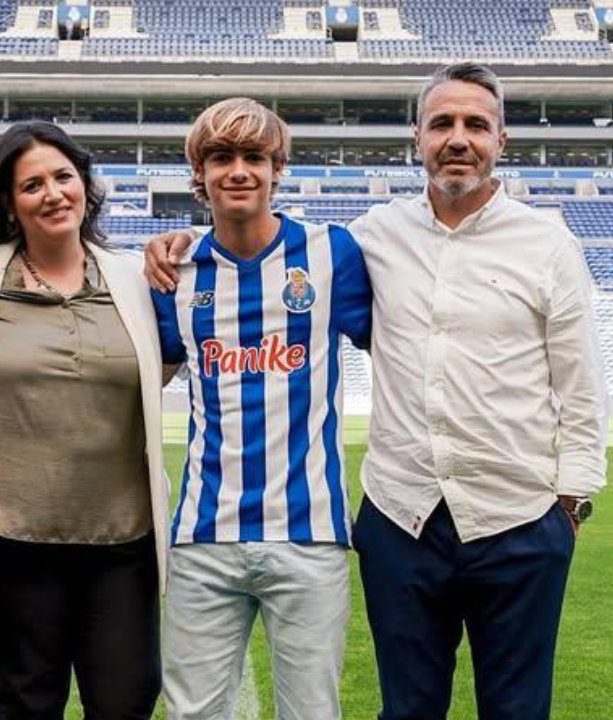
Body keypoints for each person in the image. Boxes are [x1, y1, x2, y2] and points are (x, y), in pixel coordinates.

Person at [144, 63, 608, 720]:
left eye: (476, 124)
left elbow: (581, 378)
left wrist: (572, 499)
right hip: (403, 517)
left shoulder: (545, 242)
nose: (458, 138)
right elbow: (256, 247)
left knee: (517, 709)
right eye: (441, 123)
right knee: (407, 708)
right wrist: (175, 242)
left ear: (501, 140)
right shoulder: (370, 239)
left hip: (518, 513)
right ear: (416, 137)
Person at [0, 120, 168, 720]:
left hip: (123, 545)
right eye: (31, 184)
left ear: (85, 186)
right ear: (9, 203)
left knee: (125, 702)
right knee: (24, 704)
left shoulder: (135, 280)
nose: (53, 193)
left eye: (64, 177)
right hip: (11, 543)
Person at [149, 98, 371, 720]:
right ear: (200, 174)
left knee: (311, 712)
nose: (238, 171)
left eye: (255, 157)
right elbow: (149, 373)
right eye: (221, 157)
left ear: (278, 170)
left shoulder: (334, 256)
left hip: (310, 534)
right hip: (203, 534)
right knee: (193, 713)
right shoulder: (175, 272)